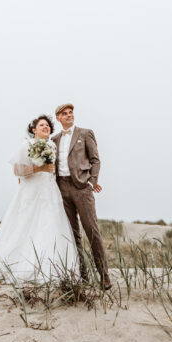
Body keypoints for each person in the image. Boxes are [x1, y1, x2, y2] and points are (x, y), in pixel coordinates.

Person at [0, 115, 80, 284]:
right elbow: (17, 170)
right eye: (41, 125)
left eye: (48, 125)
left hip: (49, 190)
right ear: (33, 130)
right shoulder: (27, 145)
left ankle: (52, 268)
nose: (45, 127)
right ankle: (20, 265)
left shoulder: (52, 145)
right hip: (31, 190)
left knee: (50, 224)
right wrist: (39, 167)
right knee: (24, 224)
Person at [51, 103, 111, 290]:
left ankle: (104, 276)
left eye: (71, 113)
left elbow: (95, 159)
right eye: (64, 113)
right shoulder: (53, 140)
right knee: (72, 235)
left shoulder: (85, 133)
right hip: (62, 188)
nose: (69, 115)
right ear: (58, 118)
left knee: (92, 231)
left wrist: (92, 181)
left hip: (82, 188)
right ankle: (82, 275)